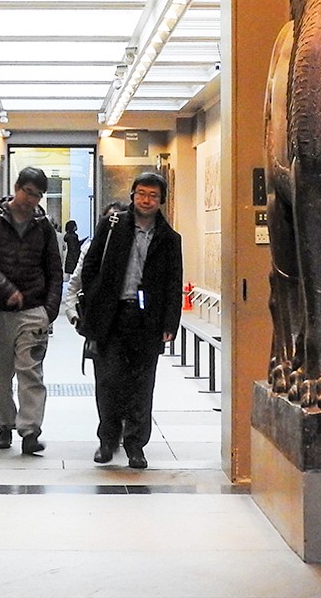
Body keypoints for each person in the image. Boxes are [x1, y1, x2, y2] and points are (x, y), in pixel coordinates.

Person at [77, 172, 182, 469]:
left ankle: (135, 444)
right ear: (132, 195)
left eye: (153, 196)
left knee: (141, 384)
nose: (146, 200)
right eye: (141, 194)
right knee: (108, 381)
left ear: (161, 201)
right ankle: (107, 440)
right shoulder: (112, 227)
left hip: (147, 321)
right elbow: (90, 266)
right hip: (111, 316)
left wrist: (169, 325)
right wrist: (95, 299)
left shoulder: (170, 239)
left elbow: (174, 283)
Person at [0, 166, 63, 455]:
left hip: (33, 309)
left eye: (37, 195)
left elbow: (54, 270)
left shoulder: (43, 226)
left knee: (31, 371)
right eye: (28, 192)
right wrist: (5, 289)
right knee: (0, 372)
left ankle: (31, 429)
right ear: (16, 187)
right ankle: (5, 424)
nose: (31, 200)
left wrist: (50, 310)